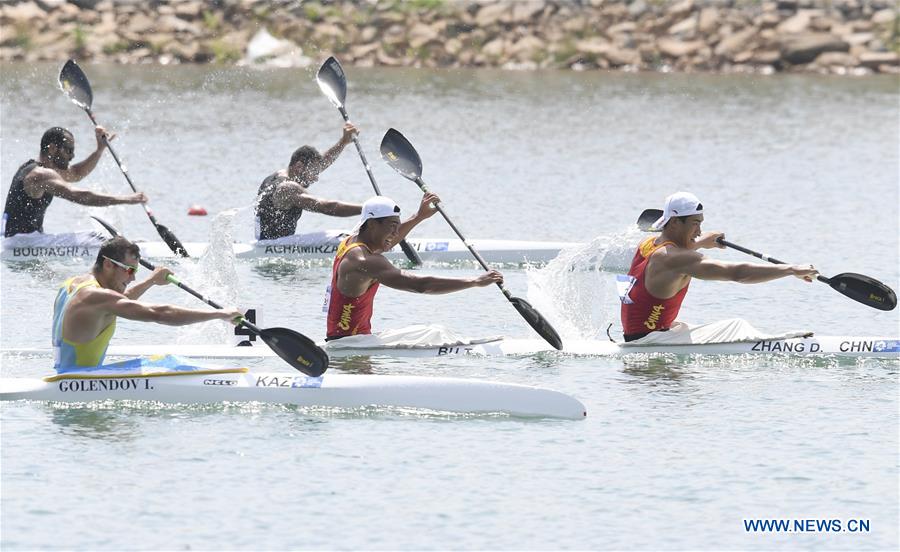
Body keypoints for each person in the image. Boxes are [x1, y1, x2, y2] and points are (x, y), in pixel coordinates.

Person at [620, 191, 819, 342]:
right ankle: (783, 342)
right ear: (673, 223)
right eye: (695, 224)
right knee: (737, 325)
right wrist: (791, 269)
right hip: (650, 340)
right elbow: (737, 273)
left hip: (641, 332)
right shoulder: (675, 259)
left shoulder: (648, 244)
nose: (699, 231)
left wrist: (699, 242)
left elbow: (675, 252)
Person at [325, 195, 503, 340]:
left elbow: (386, 242)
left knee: (434, 333)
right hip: (351, 342)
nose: (396, 234)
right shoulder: (366, 261)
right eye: (392, 226)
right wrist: (475, 281)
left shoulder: (352, 242)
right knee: (435, 334)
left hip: (350, 337)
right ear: (372, 224)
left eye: (397, 226)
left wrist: (419, 216)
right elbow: (420, 285)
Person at [53, 236, 242, 372]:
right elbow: (158, 313)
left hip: (70, 375)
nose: (134, 277)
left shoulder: (72, 285)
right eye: (129, 270)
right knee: (169, 363)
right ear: (108, 265)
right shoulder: (96, 296)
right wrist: (221, 314)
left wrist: (150, 281)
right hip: (80, 380)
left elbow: (117, 302)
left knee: (163, 361)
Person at [2, 126, 147, 238]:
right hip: (21, 244)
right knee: (96, 238)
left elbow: (76, 173)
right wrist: (127, 199)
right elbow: (77, 195)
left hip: (20, 241)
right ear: (52, 148)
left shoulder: (42, 170)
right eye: (68, 150)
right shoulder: (40, 175)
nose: (72, 156)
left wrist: (99, 150)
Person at [254, 123, 364, 240]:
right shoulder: (287, 188)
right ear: (299, 166)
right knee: (340, 237)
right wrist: (367, 208)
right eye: (314, 173)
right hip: (275, 247)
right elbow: (326, 207)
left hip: (265, 244)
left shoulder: (279, 175)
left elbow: (322, 162)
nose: (316, 178)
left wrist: (343, 142)